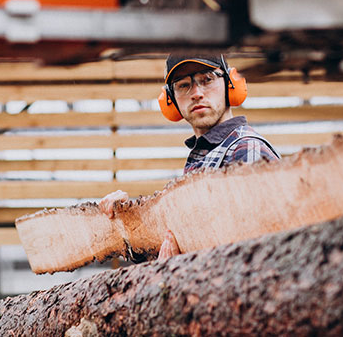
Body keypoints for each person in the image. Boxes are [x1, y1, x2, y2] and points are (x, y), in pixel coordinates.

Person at [99, 53, 280, 259]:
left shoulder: (247, 150)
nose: (196, 93)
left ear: (231, 84)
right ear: (170, 100)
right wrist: (124, 221)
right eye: (184, 85)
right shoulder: (203, 156)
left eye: (207, 79)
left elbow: (255, 258)